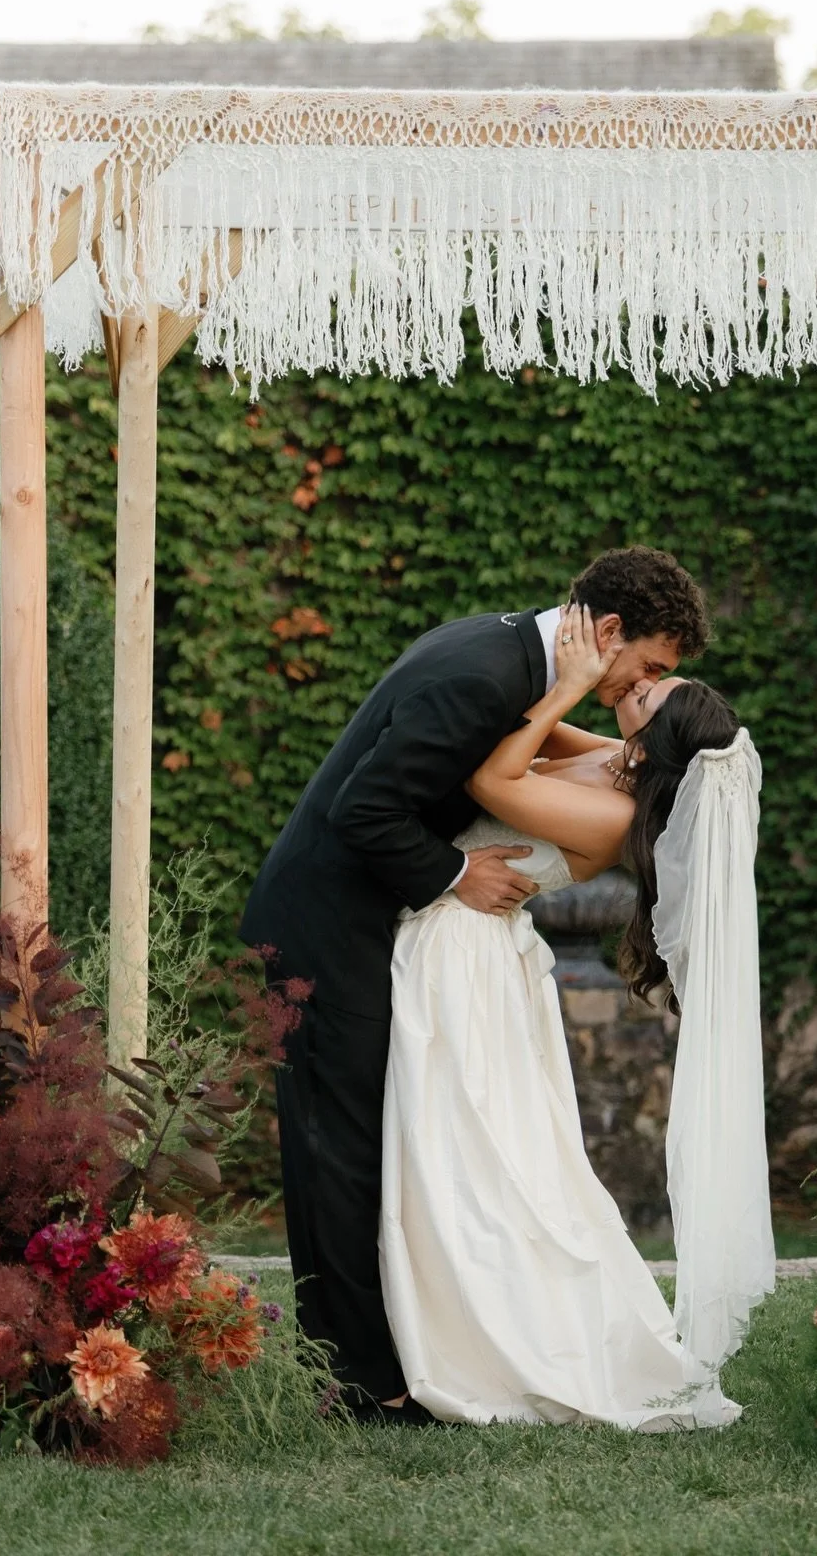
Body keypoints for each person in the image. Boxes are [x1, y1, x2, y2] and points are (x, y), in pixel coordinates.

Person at [240, 547, 710, 1419]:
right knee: (336, 1151)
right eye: (646, 666)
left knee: (380, 1146)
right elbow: (363, 810)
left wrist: (664, 747)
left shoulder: (502, 651)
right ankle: (360, 1386)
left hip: (381, 926)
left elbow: (525, 758)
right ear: (606, 633)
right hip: (324, 924)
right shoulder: (485, 680)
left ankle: (392, 1360)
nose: (641, 684)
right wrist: (455, 875)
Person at [380, 602, 764, 1426]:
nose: (644, 683)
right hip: (461, 944)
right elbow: (535, 733)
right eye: (653, 676)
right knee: (473, 1143)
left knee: (470, 1146)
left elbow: (494, 779)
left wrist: (580, 682)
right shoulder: (617, 759)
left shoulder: (615, 812)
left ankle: (491, 1333)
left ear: (656, 742)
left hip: (466, 956)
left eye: (655, 691)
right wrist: (570, 677)